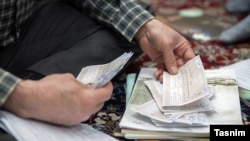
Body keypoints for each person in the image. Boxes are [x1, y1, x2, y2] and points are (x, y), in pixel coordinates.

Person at [0, 0, 195, 127]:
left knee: (133, 26)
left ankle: (38, 85)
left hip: (22, 26)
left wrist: (144, 27)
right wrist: (21, 95)